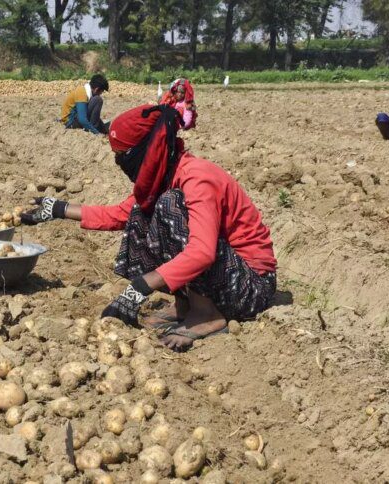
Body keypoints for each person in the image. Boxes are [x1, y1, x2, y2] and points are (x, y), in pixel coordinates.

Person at [22, 104, 277, 351]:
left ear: (147, 149)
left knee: (169, 206)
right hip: (224, 277)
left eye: (122, 155)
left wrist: (139, 288)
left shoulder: (197, 178)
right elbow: (122, 214)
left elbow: (202, 252)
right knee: (144, 211)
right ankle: (185, 304)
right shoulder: (166, 173)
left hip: (250, 287)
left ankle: (206, 314)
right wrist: (59, 209)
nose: (119, 162)